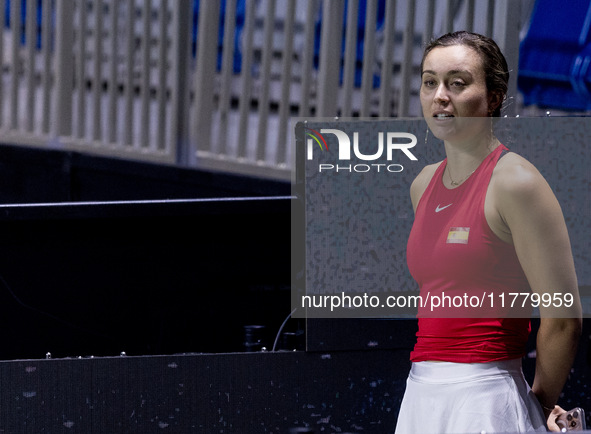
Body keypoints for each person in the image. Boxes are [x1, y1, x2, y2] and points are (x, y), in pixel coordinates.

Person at [395, 31, 583, 433]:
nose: (440, 96)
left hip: (486, 395)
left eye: (457, 83)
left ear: (494, 97)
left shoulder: (516, 181)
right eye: (430, 82)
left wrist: (535, 404)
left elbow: (563, 318)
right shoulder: (423, 183)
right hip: (420, 393)